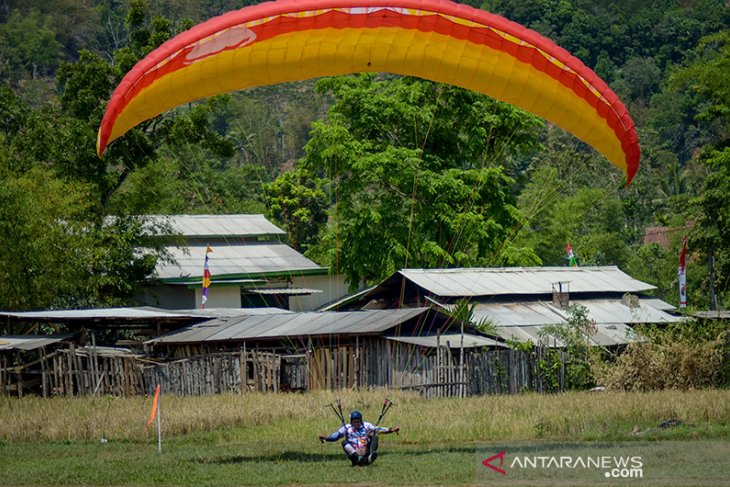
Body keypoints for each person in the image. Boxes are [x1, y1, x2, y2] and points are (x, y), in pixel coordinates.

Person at [319, 410, 400, 466]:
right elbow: (336, 436)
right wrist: (327, 438)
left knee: (374, 437)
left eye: (358, 421)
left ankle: (370, 456)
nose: (356, 424)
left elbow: (378, 429)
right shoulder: (347, 428)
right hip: (354, 452)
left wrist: (391, 430)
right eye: (354, 422)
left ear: (361, 420)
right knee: (344, 442)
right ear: (351, 422)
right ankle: (357, 458)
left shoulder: (366, 425)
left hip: (365, 449)